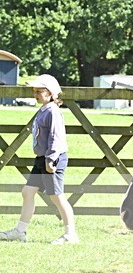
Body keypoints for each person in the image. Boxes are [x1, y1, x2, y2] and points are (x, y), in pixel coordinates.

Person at [0, 74, 78, 244]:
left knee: (57, 196)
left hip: (52, 159)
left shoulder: (53, 111)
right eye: (34, 91)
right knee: (28, 192)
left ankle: (70, 234)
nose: (35, 94)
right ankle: (20, 232)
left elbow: (56, 138)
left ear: (51, 93)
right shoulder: (44, 109)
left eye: (39, 91)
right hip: (41, 158)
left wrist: (50, 160)